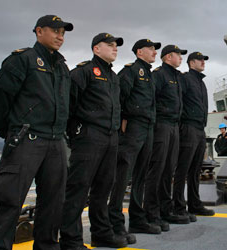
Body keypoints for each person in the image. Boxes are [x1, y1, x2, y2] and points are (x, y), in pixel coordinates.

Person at [0, 15, 73, 250]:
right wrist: (11, 130)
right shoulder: (22, 60)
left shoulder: (63, 66)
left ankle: (46, 246)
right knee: (10, 200)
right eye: (55, 31)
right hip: (27, 138)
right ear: (38, 31)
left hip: (55, 141)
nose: (60, 36)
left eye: (63, 33)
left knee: (53, 201)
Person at [60, 33, 126, 249]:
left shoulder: (113, 76)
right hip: (88, 136)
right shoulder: (84, 72)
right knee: (78, 189)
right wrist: (76, 133)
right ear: (96, 49)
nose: (115, 48)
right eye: (110, 45)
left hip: (110, 137)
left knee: (103, 188)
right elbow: (68, 104)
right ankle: (71, 240)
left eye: (116, 46)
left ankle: (101, 234)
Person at [109, 38, 162, 238]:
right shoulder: (131, 71)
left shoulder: (149, 74)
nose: (154, 52)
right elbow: (119, 97)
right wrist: (123, 120)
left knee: (140, 176)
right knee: (122, 177)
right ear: (139, 52)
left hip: (148, 128)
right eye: (151, 49)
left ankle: (138, 220)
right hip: (132, 128)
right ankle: (115, 223)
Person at [144, 44, 189, 231]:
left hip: (174, 127)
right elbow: (151, 100)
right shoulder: (159, 75)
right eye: (178, 55)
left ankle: (165, 209)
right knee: (158, 170)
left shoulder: (177, 77)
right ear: (168, 57)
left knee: (169, 169)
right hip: (161, 125)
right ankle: (151, 213)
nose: (181, 58)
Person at [173, 51, 215, 219]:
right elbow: (179, 101)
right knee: (183, 169)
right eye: (200, 60)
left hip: (199, 129)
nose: (203, 62)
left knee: (196, 169)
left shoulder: (201, 82)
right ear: (191, 63)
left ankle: (194, 204)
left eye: (204, 59)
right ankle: (178, 206)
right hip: (188, 127)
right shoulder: (185, 79)